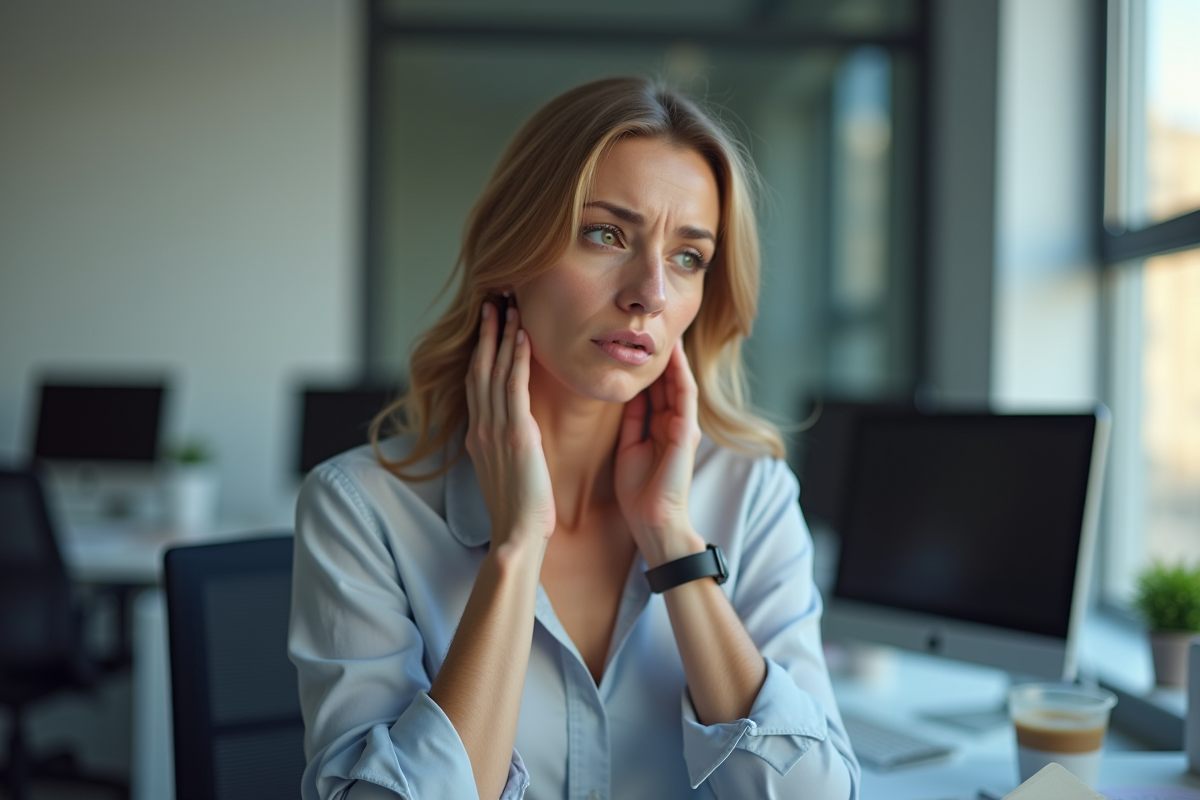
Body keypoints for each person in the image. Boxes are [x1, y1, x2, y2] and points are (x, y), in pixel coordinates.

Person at [288, 76, 860, 800]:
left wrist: (674, 544)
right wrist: (516, 548)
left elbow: (817, 794)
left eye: (688, 256)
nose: (650, 292)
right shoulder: (362, 508)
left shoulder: (751, 495)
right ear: (511, 256)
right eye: (605, 234)